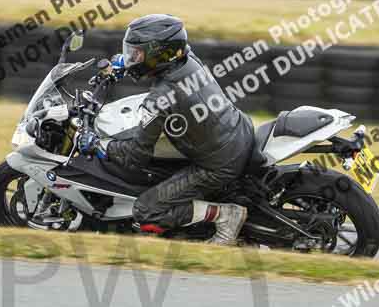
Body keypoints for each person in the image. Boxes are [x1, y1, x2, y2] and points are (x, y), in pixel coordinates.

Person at [76, 14, 255, 245]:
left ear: (159, 54)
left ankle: (225, 215)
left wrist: (100, 145)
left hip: (218, 165)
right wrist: (125, 63)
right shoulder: (188, 59)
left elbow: (135, 155)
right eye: (131, 52)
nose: (132, 58)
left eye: (137, 53)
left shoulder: (160, 99)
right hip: (237, 130)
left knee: (146, 210)